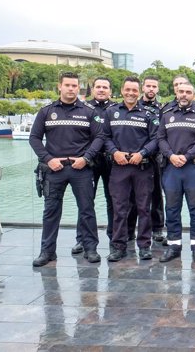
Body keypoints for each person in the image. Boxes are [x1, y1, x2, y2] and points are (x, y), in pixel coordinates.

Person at [30, 72, 104, 267]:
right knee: (51, 211)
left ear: (78, 88)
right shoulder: (46, 111)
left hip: (81, 168)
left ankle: (90, 248)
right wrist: (47, 159)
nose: (71, 89)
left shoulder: (89, 111)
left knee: (87, 210)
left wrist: (86, 158)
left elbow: (99, 138)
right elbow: (34, 138)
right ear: (59, 87)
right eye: (68, 85)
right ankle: (47, 251)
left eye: (75, 86)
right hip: (55, 169)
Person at [103, 77, 159, 261]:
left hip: (142, 167)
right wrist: (114, 152)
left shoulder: (148, 114)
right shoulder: (111, 112)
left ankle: (144, 245)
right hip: (119, 167)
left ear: (139, 91)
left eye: (134, 90)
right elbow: (104, 136)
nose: (131, 93)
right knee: (120, 209)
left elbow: (156, 139)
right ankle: (118, 245)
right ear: (122, 90)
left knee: (144, 208)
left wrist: (142, 153)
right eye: (128, 89)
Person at [158, 82, 195, 263]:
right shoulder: (167, 115)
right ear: (176, 93)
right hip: (172, 168)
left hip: (193, 167)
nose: (184, 95)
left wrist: (186, 156)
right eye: (181, 91)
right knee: (172, 209)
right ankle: (174, 246)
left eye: (188, 92)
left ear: (193, 95)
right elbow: (160, 138)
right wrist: (171, 155)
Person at [72, 77, 116, 255]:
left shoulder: (116, 109)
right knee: (85, 202)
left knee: (113, 200)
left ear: (110, 91)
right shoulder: (84, 108)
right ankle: (82, 239)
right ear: (92, 89)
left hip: (111, 160)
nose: (101, 90)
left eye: (105, 87)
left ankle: (114, 235)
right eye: (98, 87)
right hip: (89, 160)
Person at [137, 76, 165, 244]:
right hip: (135, 157)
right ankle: (132, 228)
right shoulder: (136, 107)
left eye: (154, 86)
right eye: (148, 86)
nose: (151, 89)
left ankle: (157, 227)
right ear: (143, 87)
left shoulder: (161, 109)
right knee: (135, 197)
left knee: (156, 194)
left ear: (158, 89)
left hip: (155, 157)